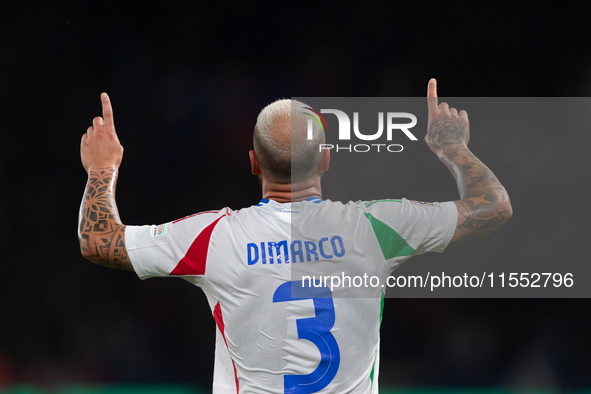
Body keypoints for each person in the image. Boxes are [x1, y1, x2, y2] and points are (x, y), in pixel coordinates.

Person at [78, 79, 512, 393]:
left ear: (252, 163)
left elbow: (98, 240)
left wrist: (103, 168)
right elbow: (493, 207)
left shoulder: (213, 237)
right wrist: (452, 148)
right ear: (325, 160)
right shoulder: (379, 228)